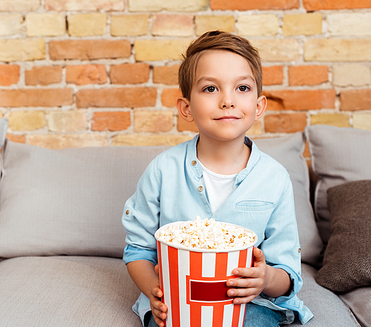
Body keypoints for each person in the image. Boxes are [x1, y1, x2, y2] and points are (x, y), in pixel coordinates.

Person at [122, 30, 313, 327]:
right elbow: (138, 249)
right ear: (186, 108)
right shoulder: (163, 170)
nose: (227, 101)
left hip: (248, 305)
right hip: (179, 302)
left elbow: (287, 273)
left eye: (242, 88)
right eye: (211, 89)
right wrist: (154, 292)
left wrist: (265, 279)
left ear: (259, 106)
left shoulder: (274, 178)